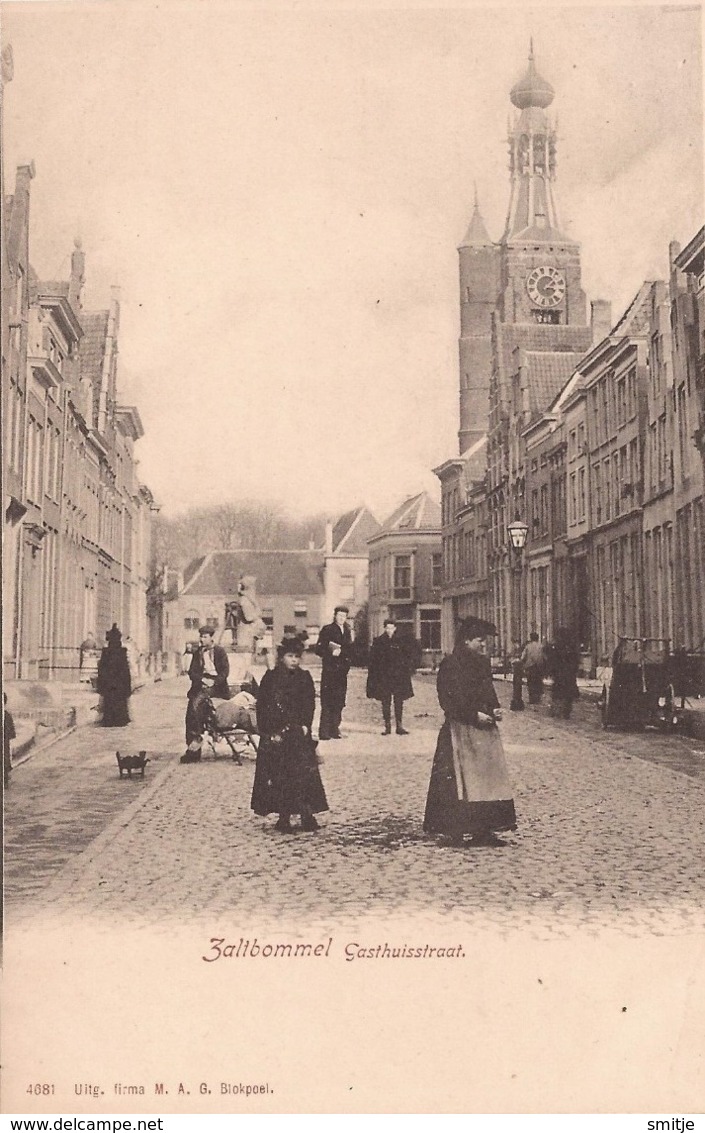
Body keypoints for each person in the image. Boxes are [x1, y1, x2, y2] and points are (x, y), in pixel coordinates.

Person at [423, 616, 517, 847]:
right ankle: (454, 831)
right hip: (460, 729)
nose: (483, 645)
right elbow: (448, 699)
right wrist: (473, 715)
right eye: (479, 640)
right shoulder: (451, 664)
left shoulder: (482, 663)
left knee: (487, 780)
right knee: (458, 782)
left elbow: (488, 689)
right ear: (465, 641)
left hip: (484, 731)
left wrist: (495, 708)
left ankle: (483, 830)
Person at [251, 636, 328, 833]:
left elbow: (309, 704)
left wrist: (305, 725)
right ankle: (283, 817)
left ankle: (306, 814)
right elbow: (263, 706)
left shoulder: (304, 677)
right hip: (277, 735)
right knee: (279, 776)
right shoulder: (271, 678)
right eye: (290, 656)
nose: (294, 660)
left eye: (297, 657)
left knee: (302, 775)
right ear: (282, 657)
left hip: (297, 734)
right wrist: (269, 732)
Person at [181, 625, 231, 763]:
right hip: (201, 685)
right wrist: (202, 680)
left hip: (217, 687)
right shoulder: (198, 653)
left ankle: (195, 746)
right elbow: (192, 672)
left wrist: (213, 683)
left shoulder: (220, 652)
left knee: (195, 706)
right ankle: (193, 748)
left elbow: (225, 672)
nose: (202, 639)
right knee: (191, 712)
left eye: (205, 637)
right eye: (201, 636)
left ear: (211, 638)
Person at [366, 619, 415, 735]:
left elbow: (407, 657)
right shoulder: (379, 641)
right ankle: (387, 726)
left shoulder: (401, 641)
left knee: (399, 701)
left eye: (391, 628)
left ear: (395, 628)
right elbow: (373, 660)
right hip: (384, 677)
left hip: (398, 676)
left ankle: (399, 726)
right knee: (385, 701)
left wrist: (406, 669)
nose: (389, 630)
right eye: (387, 628)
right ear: (384, 628)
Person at [315, 606, 352, 740]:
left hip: (342, 672)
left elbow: (349, 648)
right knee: (327, 701)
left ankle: (334, 729)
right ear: (335, 616)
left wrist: (347, 656)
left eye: (344, 616)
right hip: (330, 671)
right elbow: (318, 649)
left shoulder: (347, 630)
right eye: (339, 615)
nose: (342, 618)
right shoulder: (327, 629)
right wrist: (331, 652)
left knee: (339, 701)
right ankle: (324, 731)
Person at [96, 624, 132, 727]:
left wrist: (101, 684)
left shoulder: (106, 652)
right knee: (119, 702)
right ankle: (120, 720)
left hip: (109, 683)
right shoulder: (122, 652)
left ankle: (109, 720)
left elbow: (102, 669)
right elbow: (125, 671)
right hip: (120, 684)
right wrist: (128, 687)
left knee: (110, 702)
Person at [546, 626, 580, 719]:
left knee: (558, 693)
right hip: (568, 674)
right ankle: (566, 711)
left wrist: (551, 671)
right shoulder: (571, 646)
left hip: (560, 674)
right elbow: (576, 660)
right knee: (568, 693)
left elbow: (552, 660)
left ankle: (557, 711)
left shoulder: (556, 646)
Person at [521, 632, 545, 705]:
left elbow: (523, 657)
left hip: (530, 667)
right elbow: (544, 657)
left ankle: (532, 699)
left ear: (531, 638)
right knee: (538, 682)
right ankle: (538, 698)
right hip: (539, 667)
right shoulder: (541, 646)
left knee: (530, 683)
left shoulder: (528, 646)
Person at [4, 692, 15, 788]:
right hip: (4, 742)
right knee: (5, 760)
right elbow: (12, 733)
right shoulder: (7, 715)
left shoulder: (7, 715)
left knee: (5, 760)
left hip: (4, 742)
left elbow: (11, 732)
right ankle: (5, 780)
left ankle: (5, 780)